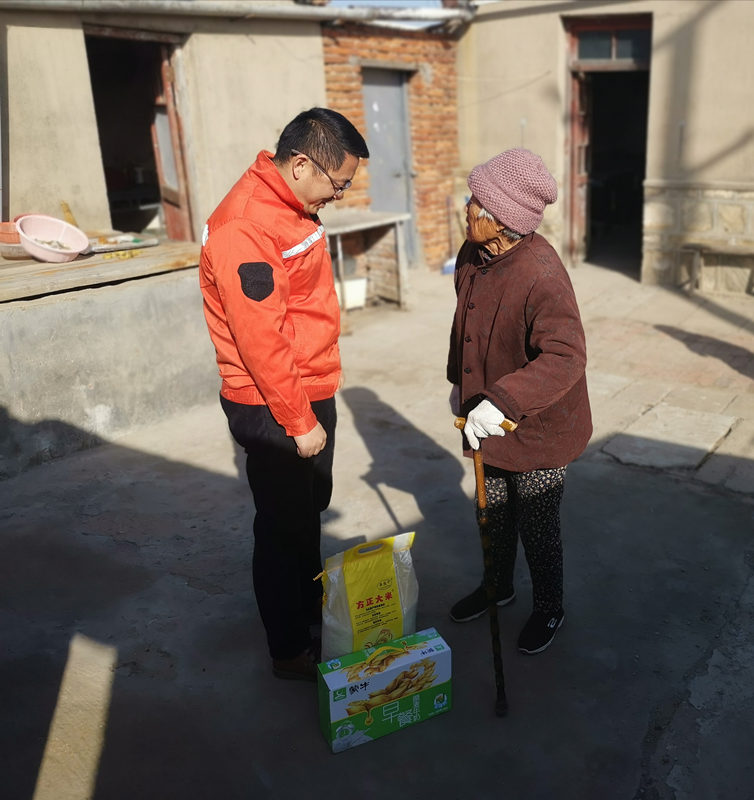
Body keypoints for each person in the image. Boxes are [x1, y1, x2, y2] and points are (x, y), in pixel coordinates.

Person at [199, 107, 369, 681]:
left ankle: (310, 606)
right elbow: (260, 339)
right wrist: (299, 421)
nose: (339, 196)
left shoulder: (292, 204)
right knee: (280, 525)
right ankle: (289, 648)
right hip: (272, 401)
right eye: (338, 183)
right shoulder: (245, 226)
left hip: (308, 385)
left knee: (307, 511)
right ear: (301, 165)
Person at [446, 148, 592, 655]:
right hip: (486, 415)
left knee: (536, 522)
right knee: (491, 511)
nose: (465, 208)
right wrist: (458, 383)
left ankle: (550, 606)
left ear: (501, 219)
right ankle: (497, 586)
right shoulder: (472, 254)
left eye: (474, 202)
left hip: (538, 425)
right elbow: (463, 325)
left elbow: (567, 356)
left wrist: (504, 401)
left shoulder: (541, 274)